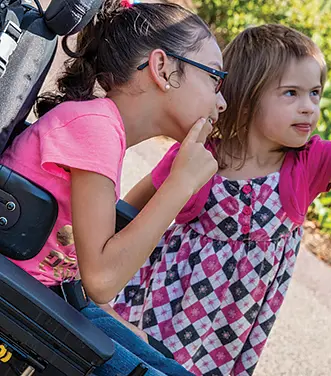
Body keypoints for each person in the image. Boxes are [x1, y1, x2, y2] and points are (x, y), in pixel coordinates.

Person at [111, 18, 331, 375]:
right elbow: (137, 199)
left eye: (315, 93)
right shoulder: (201, 154)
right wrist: (104, 253)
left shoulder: (308, 164)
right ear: (249, 98)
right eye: (291, 93)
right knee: (137, 363)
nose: (308, 107)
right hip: (165, 301)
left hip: (228, 333)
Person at [0, 0, 227, 374]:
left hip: (49, 300)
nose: (221, 102)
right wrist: (180, 184)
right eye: (214, 79)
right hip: (23, 314)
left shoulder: (102, 127)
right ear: (163, 69)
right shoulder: (95, 128)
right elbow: (103, 278)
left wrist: (112, 319)